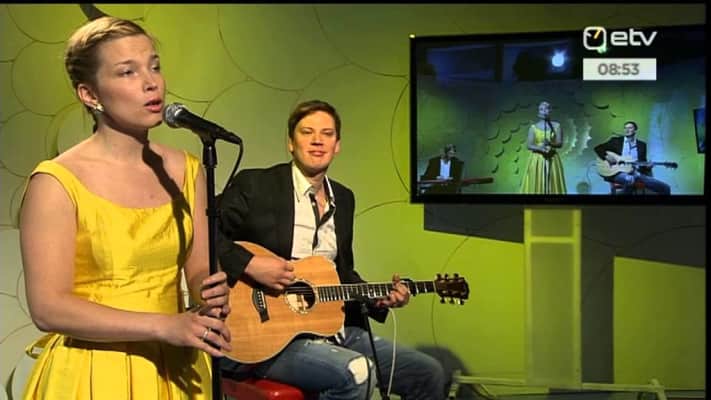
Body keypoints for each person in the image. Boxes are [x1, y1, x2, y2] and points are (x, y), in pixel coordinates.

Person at [18, 16, 231, 399]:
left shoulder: (186, 170)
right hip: (94, 372)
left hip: (176, 369)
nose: (151, 82)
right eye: (127, 72)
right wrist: (162, 325)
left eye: (154, 66)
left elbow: (199, 268)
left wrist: (208, 290)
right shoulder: (56, 182)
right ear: (89, 94)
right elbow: (48, 308)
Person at [216, 100, 447, 399]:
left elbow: (341, 274)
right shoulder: (256, 184)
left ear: (337, 145)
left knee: (428, 373)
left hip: (332, 330)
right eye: (307, 132)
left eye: (327, 134)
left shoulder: (344, 198)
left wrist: (378, 299)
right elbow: (204, 231)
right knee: (358, 372)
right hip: (266, 336)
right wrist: (250, 264)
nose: (317, 140)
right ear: (290, 142)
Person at [594, 120, 671, 195]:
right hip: (616, 173)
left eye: (630, 128)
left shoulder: (642, 145)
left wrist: (648, 167)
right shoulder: (616, 141)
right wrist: (606, 156)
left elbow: (642, 164)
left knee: (666, 188)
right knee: (630, 179)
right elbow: (598, 148)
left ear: (635, 130)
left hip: (636, 173)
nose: (627, 130)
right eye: (625, 128)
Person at [520, 100, 567, 194]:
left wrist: (550, 143)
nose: (544, 111)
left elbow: (560, 143)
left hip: (552, 158)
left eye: (546, 109)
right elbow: (529, 145)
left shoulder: (557, 126)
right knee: (537, 181)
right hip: (537, 159)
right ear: (538, 112)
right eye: (541, 109)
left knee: (552, 182)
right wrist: (540, 148)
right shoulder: (533, 127)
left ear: (550, 110)